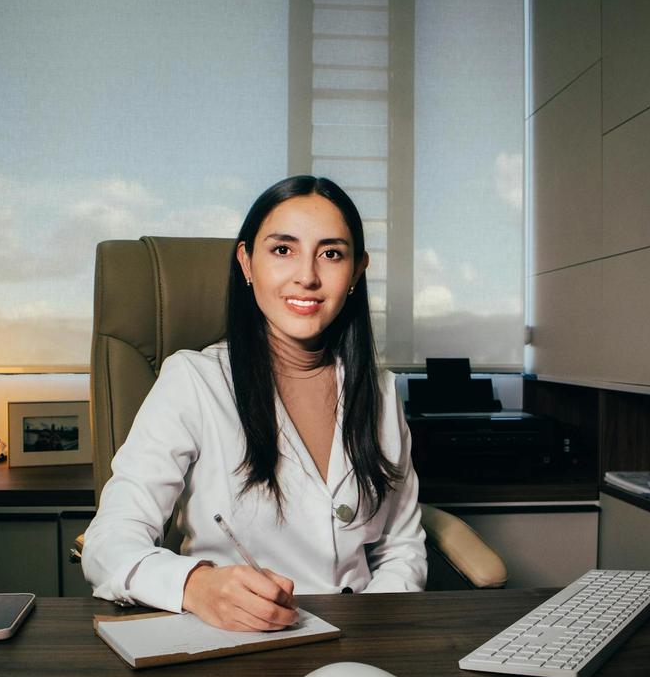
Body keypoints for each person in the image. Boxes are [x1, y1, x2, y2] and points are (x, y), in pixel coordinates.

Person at [82, 175, 427, 631]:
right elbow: (109, 543)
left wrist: (368, 630)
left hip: (360, 646)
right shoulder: (194, 380)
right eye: (282, 250)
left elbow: (402, 548)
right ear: (246, 262)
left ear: (357, 272)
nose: (307, 275)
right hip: (233, 648)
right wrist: (195, 586)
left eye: (331, 253)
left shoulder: (380, 390)